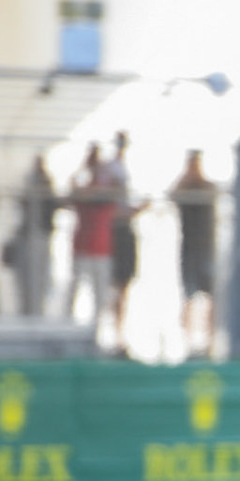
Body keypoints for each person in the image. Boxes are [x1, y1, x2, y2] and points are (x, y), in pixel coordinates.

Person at [172, 149, 218, 352]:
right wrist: (186, 176)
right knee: (189, 296)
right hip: (189, 247)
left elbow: (213, 191)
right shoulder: (184, 187)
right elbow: (174, 194)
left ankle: (210, 340)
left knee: (210, 296)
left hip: (207, 246)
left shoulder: (207, 187)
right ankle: (187, 341)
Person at [67, 144, 117, 331]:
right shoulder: (83, 186)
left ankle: (98, 329)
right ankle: (68, 323)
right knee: (75, 287)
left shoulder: (107, 188)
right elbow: (73, 192)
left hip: (102, 248)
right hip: (82, 246)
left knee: (101, 292)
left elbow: (115, 191)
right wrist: (85, 167)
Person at [6, 155, 61, 316]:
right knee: (26, 278)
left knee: (41, 277)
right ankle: (25, 310)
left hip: (42, 236)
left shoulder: (48, 185)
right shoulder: (26, 182)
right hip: (27, 237)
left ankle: (38, 310)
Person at [105, 131, 140, 343]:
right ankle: (114, 333)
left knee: (123, 286)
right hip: (115, 232)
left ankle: (119, 333)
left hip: (124, 231)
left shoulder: (123, 169)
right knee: (115, 285)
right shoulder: (110, 170)